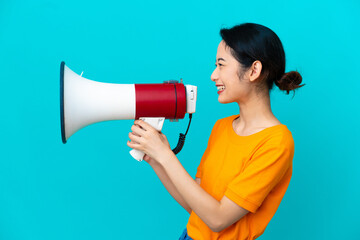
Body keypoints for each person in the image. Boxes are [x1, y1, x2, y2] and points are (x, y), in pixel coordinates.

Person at [127, 22, 305, 240]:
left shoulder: (276, 143)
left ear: (254, 70)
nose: (213, 75)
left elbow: (218, 219)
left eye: (221, 65)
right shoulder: (222, 127)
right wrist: (155, 158)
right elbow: (196, 207)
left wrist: (165, 155)